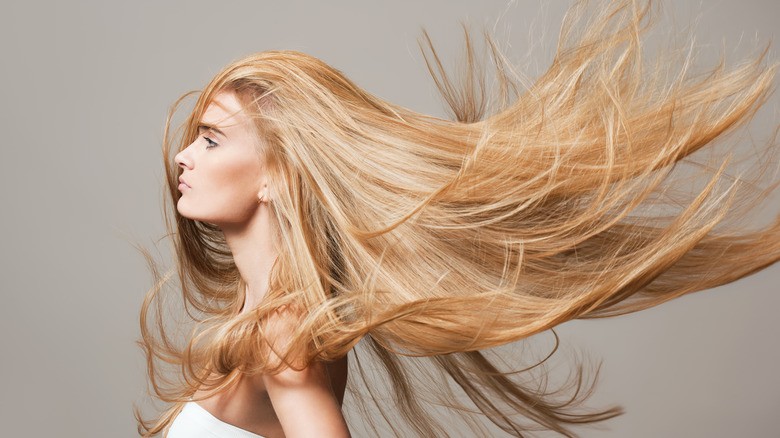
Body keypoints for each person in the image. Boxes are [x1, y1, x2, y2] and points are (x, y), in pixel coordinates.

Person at [135, 0, 780, 436]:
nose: (183, 157)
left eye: (213, 140)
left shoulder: (282, 333)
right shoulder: (267, 322)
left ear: (280, 172)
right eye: (194, 137)